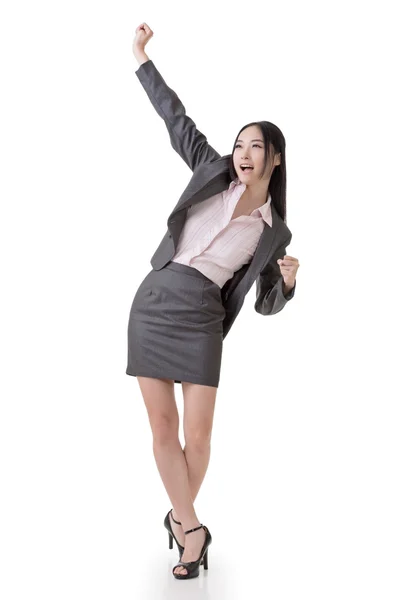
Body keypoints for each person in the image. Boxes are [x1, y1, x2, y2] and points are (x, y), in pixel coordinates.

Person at [128, 22, 300, 580]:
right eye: (240, 144)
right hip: (155, 300)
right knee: (161, 429)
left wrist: (289, 285)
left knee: (197, 435)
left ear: (274, 159)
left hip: (202, 315)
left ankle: (183, 522)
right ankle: (192, 533)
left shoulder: (275, 234)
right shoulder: (209, 171)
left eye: (256, 147)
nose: (244, 153)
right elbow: (175, 118)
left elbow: (266, 304)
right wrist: (141, 57)